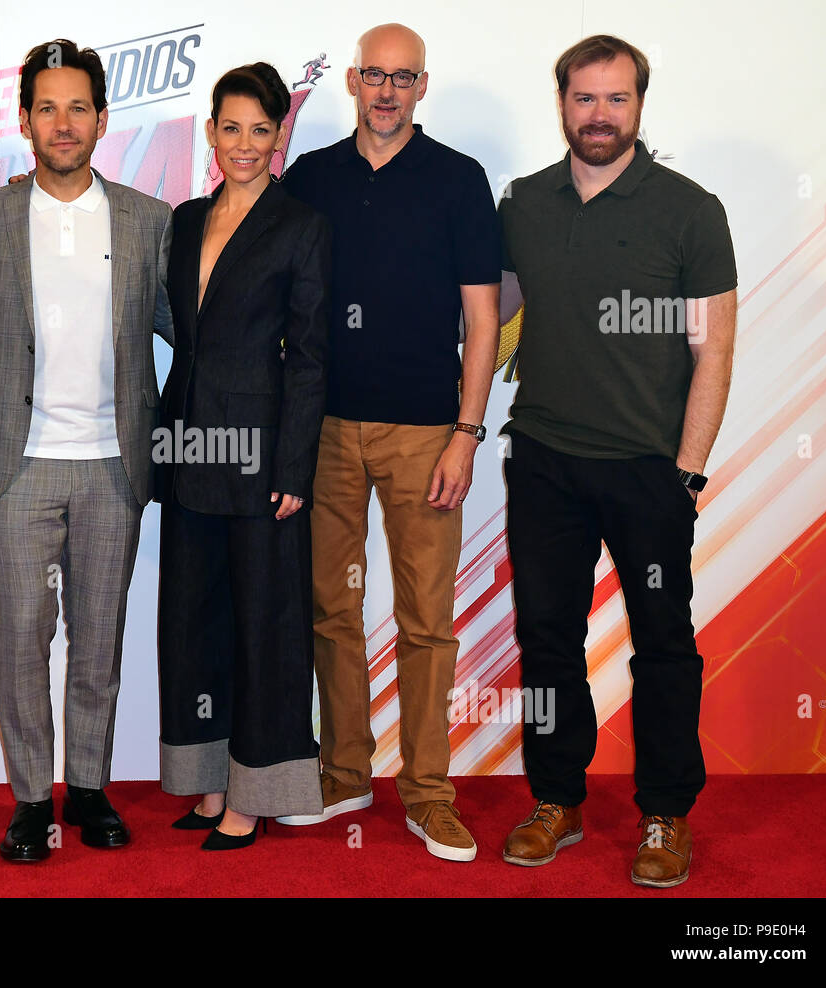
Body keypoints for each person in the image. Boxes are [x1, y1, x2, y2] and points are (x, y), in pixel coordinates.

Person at [497, 35, 736, 888]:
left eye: (616, 99)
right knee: (548, 640)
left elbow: (714, 351)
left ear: (640, 104)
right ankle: (556, 800)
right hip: (545, 465)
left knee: (664, 646)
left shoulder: (690, 209)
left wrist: (689, 472)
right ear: (561, 102)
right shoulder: (521, 203)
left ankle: (666, 814)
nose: (599, 116)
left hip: (648, 474)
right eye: (584, 99)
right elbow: (489, 326)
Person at [276, 23, 501, 862]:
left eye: (402, 78)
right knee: (332, 613)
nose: (386, 91)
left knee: (426, 622)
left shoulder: (458, 179)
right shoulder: (311, 177)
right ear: (354, 82)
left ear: (422, 87)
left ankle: (429, 793)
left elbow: (483, 320)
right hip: (326, 433)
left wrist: (466, 435)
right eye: (374, 74)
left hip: (425, 435)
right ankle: (343, 775)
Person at [0, 39, 173, 864]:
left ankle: (87, 787)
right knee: (20, 641)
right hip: (16, 466)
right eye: (46, 107)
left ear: (103, 119)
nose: (63, 122)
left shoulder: (148, 221)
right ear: (22, 122)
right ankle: (27, 799)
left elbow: (188, 332)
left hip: (114, 464)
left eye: (77, 106)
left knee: (100, 638)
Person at [157, 63, 331, 850]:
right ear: (211, 133)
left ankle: (253, 793)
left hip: (263, 459)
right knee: (193, 620)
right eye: (231, 128)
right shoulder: (186, 219)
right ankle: (204, 779)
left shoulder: (301, 225)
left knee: (266, 624)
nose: (245, 144)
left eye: (261, 130)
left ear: (281, 136)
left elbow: (310, 358)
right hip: (189, 445)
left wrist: (295, 468)